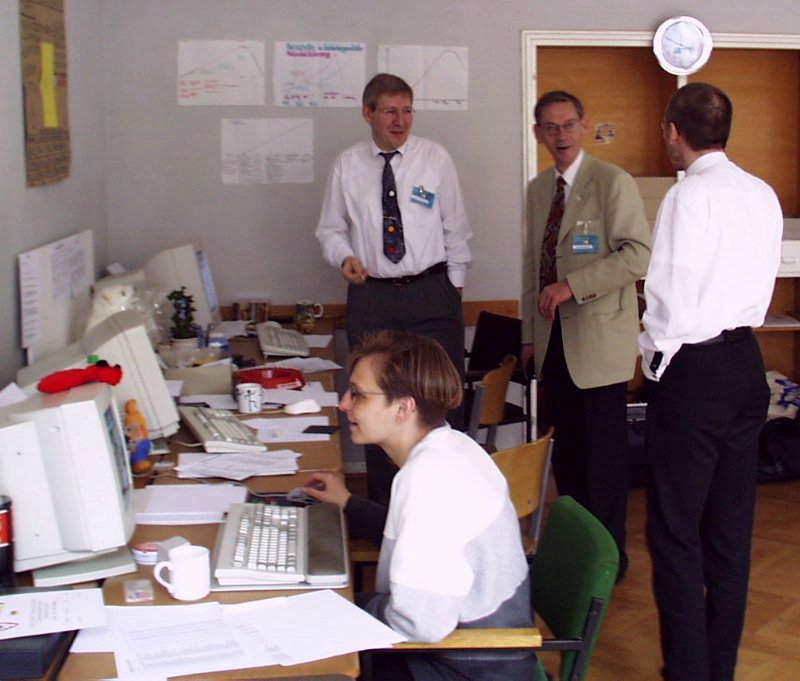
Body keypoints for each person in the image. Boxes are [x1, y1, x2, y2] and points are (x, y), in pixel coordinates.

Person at [639, 82, 782, 681]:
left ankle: (687, 670)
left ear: (674, 132)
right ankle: (716, 669)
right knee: (729, 529)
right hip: (746, 364)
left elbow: (668, 300)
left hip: (694, 371)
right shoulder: (762, 192)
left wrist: (652, 364)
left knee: (675, 531)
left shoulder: (687, 196)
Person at [301, 330, 534, 681]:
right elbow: (420, 540)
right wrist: (348, 503)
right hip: (464, 650)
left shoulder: (429, 479)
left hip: (462, 666)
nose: (344, 404)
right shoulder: (452, 446)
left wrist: (346, 606)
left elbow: (422, 623)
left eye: (358, 394)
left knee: (309, 646)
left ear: (403, 408)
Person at [315, 73, 472, 508]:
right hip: (373, 296)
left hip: (431, 292)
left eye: (407, 110)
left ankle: (446, 506)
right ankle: (385, 514)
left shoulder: (434, 158)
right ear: (368, 114)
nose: (400, 120)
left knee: (439, 402)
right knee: (373, 404)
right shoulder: (347, 165)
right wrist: (344, 257)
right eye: (390, 111)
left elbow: (456, 227)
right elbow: (329, 229)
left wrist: (454, 286)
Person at [520, 90, 651, 580]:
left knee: (603, 464)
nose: (562, 135)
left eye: (569, 124)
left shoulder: (611, 181)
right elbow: (533, 266)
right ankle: (578, 558)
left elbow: (638, 255)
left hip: (598, 346)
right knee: (569, 460)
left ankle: (609, 562)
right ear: (538, 134)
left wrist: (572, 286)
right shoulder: (538, 189)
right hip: (553, 345)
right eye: (551, 127)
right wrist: (529, 337)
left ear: (584, 125)